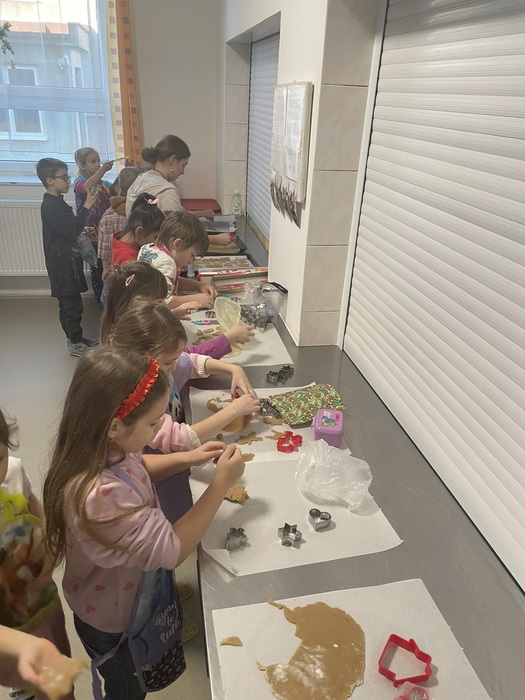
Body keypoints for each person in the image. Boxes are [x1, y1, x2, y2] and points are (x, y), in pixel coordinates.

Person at [42, 348, 245, 700]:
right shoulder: (101, 494)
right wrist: (220, 484)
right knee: (127, 689)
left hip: (122, 594)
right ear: (115, 425)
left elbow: (138, 467)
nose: (157, 430)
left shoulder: (103, 446)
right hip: (116, 622)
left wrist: (188, 458)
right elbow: (173, 550)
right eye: (153, 424)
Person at [0, 408, 75, 699]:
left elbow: (30, 500)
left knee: (54, 647)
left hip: (37, 587)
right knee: (21, 664)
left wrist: (44, 537)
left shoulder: (14, 471)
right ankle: (24, 689)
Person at [101, 261, 254, 354]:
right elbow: (186, 358)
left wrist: (172, 314)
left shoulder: (123, 329)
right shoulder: (142, 341)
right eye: (160, 302)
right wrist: (226, 339)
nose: (164, 305)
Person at [36, 157, 99, 357]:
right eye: (63, 177)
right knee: (71, 305)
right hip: (62, 264)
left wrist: (82, 229)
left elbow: (67, 229)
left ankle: (75, 338)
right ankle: (75, 342)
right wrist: (87, 207)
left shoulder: (57, 203)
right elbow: (71, 230)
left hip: (66, 261)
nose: (68, 181)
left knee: (72, 302)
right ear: (49, 181)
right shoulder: (51, 206)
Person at [126, 134, 232, 246]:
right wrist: (216, 239)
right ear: (173, 159)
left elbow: (173, 214)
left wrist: (202, 213)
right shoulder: (167, 191)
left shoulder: (141, 178)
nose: (183, 172)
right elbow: (177, 236)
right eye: (183, 165)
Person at [137, 210, 217, 312]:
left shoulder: (147, 248)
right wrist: (197, 299)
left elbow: (171, 282)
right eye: (192, 255)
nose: (191, 261)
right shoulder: (167, 263)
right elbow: (164, 301)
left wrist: (198, 285)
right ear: (177, 244)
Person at [73, 147, 115, 310]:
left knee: (108, 266)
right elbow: (86, 187)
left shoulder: (104, 184)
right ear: (82, 165)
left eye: (98, 161)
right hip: (91, 235)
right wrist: (103, 169)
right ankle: (100, 301)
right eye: (93, 162)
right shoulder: (79, 182)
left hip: (105, 234)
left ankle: (109, 297)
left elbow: (116, 189)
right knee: (97, 270)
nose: (98, 164)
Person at [98, 166, 144, 285]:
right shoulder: (141, 213)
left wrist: (105, 268)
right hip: (136, 271)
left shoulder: (108, 216)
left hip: (114, 273)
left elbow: (103, 248)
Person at [111, 193, 165, 267]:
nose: (157, 243)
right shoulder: (128, 258)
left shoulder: (123, 240)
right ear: (139, 232)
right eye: (155, 238)